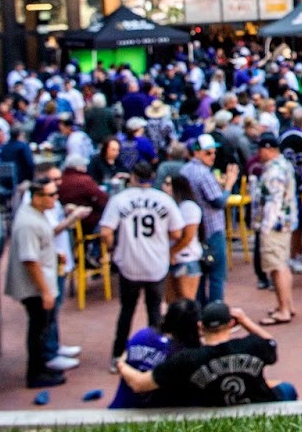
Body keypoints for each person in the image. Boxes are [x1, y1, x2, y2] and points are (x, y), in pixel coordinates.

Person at [117, 301, 297, 407]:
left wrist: (122, 365)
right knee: (287, 388)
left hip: (212, 411)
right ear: (231, 324)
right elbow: (271, 343)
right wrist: (245, 321)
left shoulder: (187, 359)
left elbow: (139, 384)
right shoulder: (252, 345)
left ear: (200, 326)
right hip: (257, 405)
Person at [4, 177, 88, 388]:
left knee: (43, 326)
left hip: (43, 281)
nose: (55, 199)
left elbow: (41, 244)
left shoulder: (36, 216)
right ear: (38, 197)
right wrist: (45, 292)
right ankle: (36, 372)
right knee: (38, 329)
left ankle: (42, 366)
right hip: (35, 288)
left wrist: (55, 254)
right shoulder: (28, 223)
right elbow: (30, 260)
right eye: (51, 195)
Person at [99, 169, 184, 370]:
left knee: (126, 310)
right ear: (152, 178)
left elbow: (105, 232)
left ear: (133, 178)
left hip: (129, 263)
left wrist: (113, 247)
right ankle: (156, 357)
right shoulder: (164, 199)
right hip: (156, 263)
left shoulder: (120, 199)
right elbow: (177, 232)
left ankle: (117, 356)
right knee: (154, 311)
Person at [109, 299, 202, 409]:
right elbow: (139, 384)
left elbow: (125, 356)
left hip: (119, 408)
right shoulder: (182, 356)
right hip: (154, 416)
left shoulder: (142, 334)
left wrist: (121, 364)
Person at [178, 135, 238, 303]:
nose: (212, 156)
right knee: (217, 276)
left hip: (194, 230)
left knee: (200, 276)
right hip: (211, 229)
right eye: (208, 153)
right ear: (197, 153)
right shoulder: (203, 174)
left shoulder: (185, 170)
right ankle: (216, 315)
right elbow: (219, 202)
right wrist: (228, 185)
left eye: (213, 153)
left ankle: (200, 314)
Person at [252, 133, 299, 324]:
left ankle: (284, 310)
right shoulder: (283, 164)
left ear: (268, 149)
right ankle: (286, 304)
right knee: (282, 264)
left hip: (274, 225)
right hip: (285, 222)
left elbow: (274, 202)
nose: (258, 153)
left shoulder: (274, 172)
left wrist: (265, 227)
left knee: (276, 267)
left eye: (260, 149)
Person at [162, 172, 202, 304]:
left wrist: (172, 251)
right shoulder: (172, 206)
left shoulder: (189, 207)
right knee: (171, 301)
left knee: (187, 302)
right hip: (173, 259)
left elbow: (188, 236)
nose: (164, 187)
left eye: (168, 184)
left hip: (186, 259)